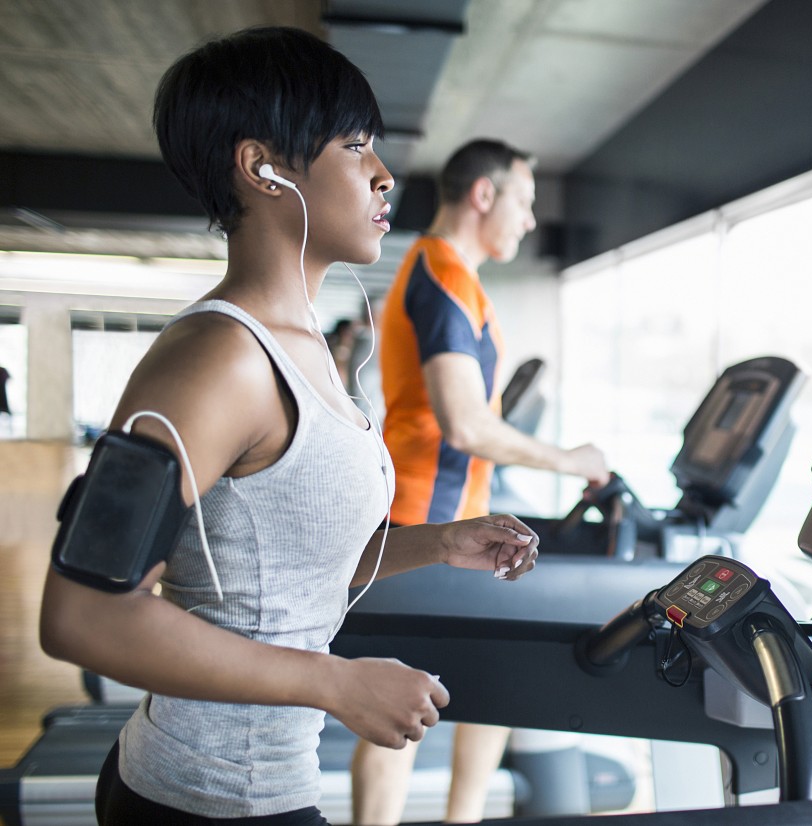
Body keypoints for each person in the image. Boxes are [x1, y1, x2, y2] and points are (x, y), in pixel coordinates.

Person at [38, 27, 539, 825]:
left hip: (262, 783)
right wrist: (335, 682)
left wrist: (440, 541)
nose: (383, 174)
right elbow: (82, 612)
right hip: (205, 798)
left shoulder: (307, 352)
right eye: (356, 146)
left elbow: (286, 571)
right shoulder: (216, 359)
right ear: (263, 168)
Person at [350, 139, 610, 825]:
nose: (529, 221)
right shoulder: (441, 273)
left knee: (496, 686)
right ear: (484, 195)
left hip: (446, 511)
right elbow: (465, 424)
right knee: (397, 704)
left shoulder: (448, 274)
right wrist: (570, 460)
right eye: (523, 202)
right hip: (417, 516)